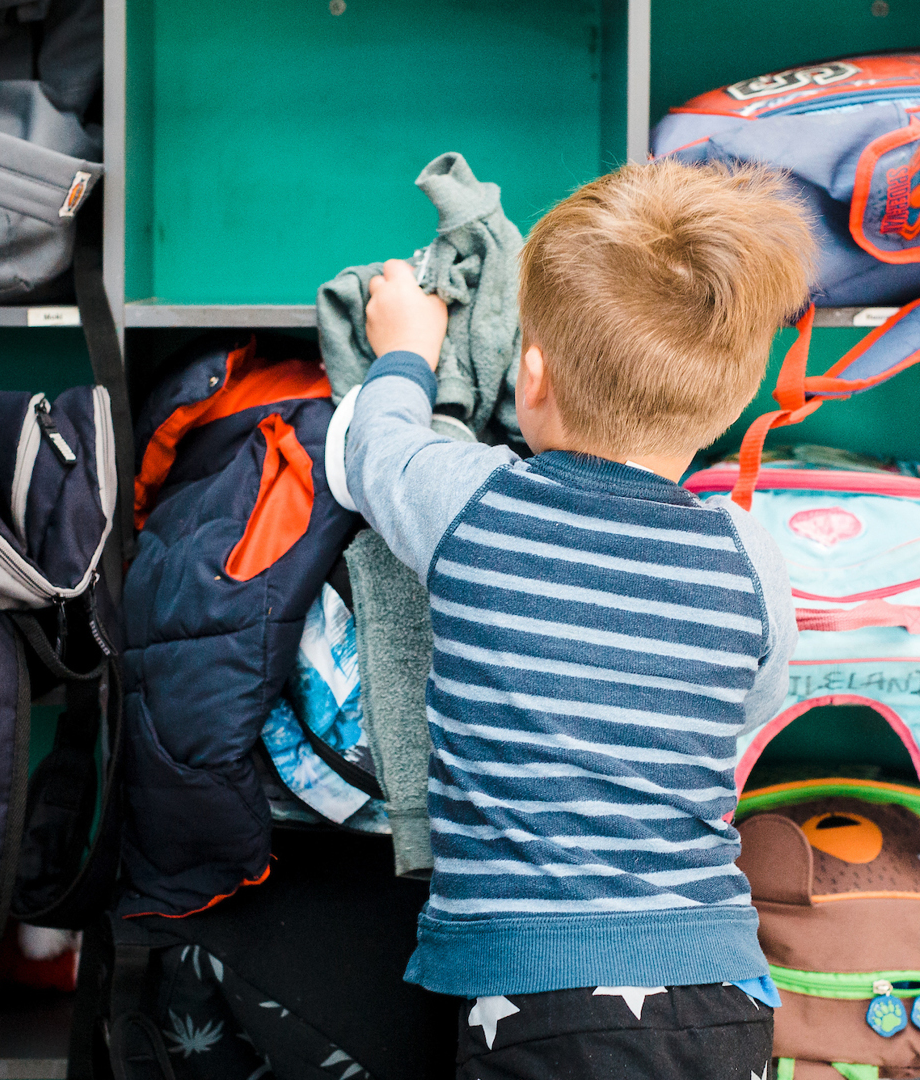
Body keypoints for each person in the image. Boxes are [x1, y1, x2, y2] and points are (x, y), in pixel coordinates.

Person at [336, 159, 814, 1079]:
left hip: (538, 995)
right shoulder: (750, 557)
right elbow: (750, 704)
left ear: (532, 374)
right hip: (720, 989)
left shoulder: (471, 502)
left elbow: (374, 444)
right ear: (727, 403)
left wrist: (405, 348)